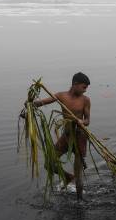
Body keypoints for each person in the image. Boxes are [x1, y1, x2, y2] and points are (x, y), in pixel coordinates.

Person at [28, 72, 91, 200]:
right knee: (49, 163)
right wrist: (30, 103)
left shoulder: (85, 100)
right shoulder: (61, 96)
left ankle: (79, 201)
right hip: (66, 137)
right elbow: (43, 102)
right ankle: (68, 177)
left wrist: (81, 121)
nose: (85, 90)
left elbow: (88, 120)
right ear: (75, 84)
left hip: (79, 138)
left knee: (79, 174)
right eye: (84, 87)